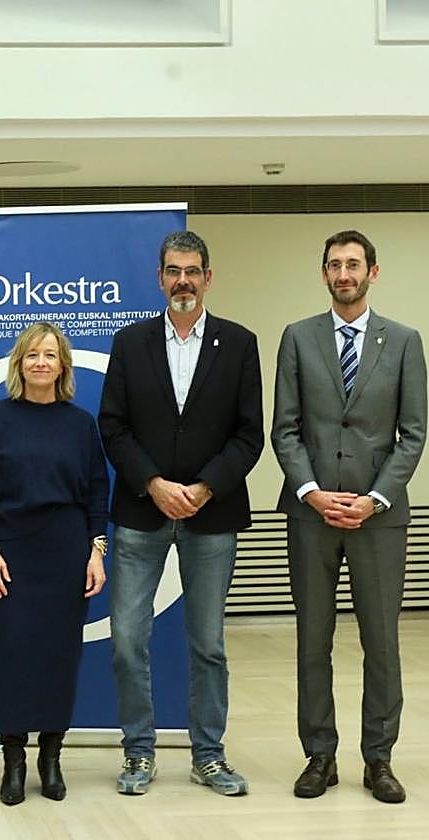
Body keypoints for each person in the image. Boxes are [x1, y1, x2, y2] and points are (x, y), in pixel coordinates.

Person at [98, 230, 263, 797]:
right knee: (127, 640)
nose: (183, 281)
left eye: (193, 271)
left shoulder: (239, 344)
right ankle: (138, 752)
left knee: (208, 644)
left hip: (211, 515)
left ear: (208, 277)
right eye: (174, 271)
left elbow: (249, 434)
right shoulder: (130, 342)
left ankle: (208, 756)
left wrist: (205, 487)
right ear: (160, 277)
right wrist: (153, 483)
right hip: (142, 510)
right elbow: (113, 426)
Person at [271, 230, 427, 804]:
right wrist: (312, 492)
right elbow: (285, 429)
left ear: (372, 272)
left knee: (381, 642)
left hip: (378, 518)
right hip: (311, 515)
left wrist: (375, 498)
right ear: (324, 274)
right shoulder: (298, 337)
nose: (344, 274)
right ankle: (320, 756)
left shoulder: (404, 341)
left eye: (353, 264)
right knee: (313, 639)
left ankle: (379, 759)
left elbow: (413, 434)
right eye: (334, 265)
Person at [0, 322, 109, 806]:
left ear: (63, 365)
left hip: (67, 553)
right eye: (32, 355)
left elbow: (97, 493)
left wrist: (96, 553)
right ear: (20, 363)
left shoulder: (80, 423)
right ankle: (13, 761)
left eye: (50, 355)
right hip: (11, 553)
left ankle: (51, 758)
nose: (41, 362)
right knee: (11, 655)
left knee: (59, 657)